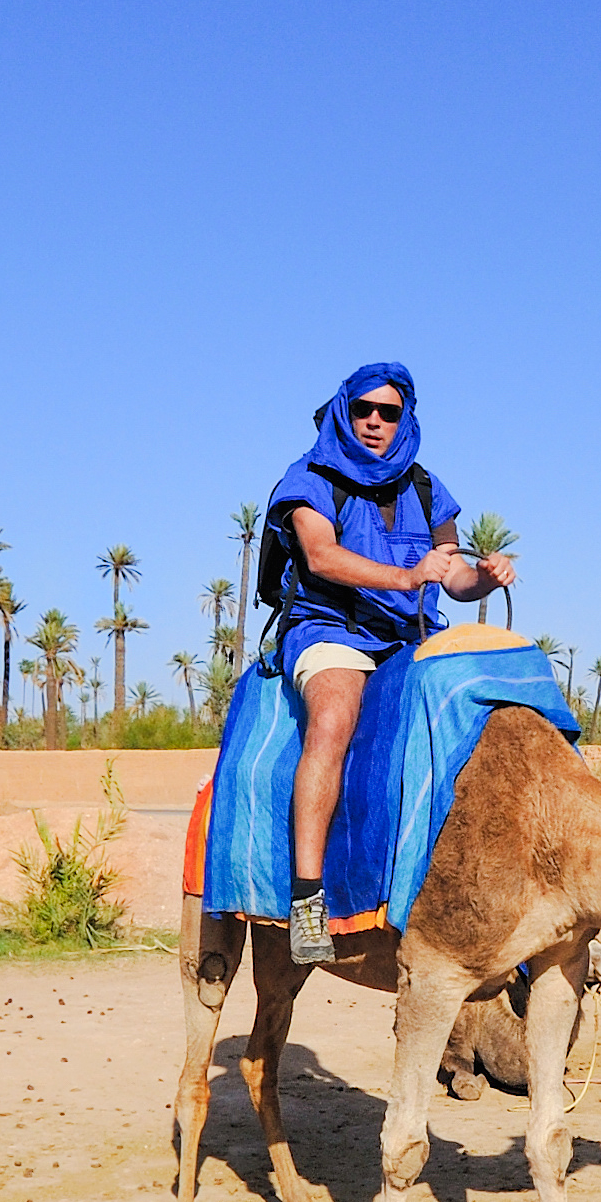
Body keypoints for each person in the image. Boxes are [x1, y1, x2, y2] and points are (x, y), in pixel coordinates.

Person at [256, 363, 513, 961]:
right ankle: (307, 900)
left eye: (389, 412)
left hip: (407, 637)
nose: (375, 421)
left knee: (488, 721)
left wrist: (485, 576)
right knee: (334, 721)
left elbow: (450, 575)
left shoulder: (425, 490)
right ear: (345, 410)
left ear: (406, 419)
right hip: (333, 630)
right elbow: (320, 557)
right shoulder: (311, 479)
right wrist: (404, 576)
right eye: (365, 409)